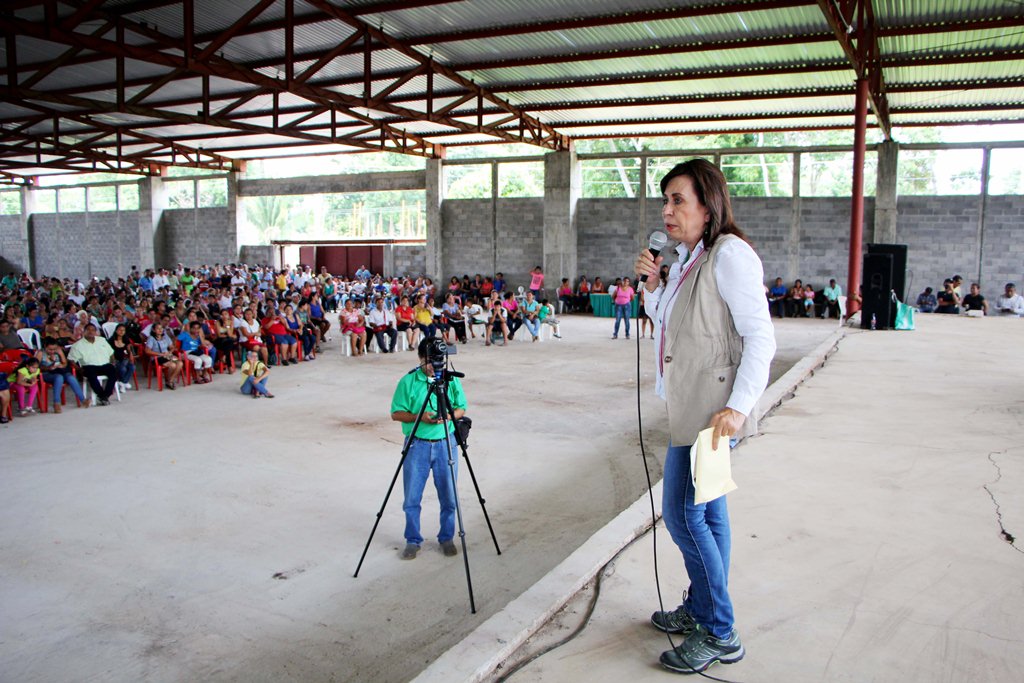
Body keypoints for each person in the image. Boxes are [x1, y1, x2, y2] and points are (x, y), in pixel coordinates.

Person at [635, 159, 776, 674]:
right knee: (710, 515)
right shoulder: (690, 258)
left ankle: (720, 631)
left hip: (712, 412)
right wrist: (653, 286)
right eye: (665, 201)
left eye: (678, 200)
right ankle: (700, 607)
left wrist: (738, 407)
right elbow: (669, 324)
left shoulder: (731, 255)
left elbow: (761, 336)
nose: (667, 210)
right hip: (690, 403)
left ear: (708, 204)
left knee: (681, 514)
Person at [389, 337, 468, 560]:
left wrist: (449, 416)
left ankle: (447, 537)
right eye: (429, 361)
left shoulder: (450, 381)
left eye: (438, 361)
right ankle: (412, 540)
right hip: (417, 445)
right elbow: (396, 414)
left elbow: (462, 408)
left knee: (449, 496)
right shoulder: (408, 382)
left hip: (446, 443)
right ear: (420, 359)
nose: (434, 366)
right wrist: (419, 417)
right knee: (412, 498)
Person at [68, 323, 118, 404]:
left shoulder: (102, 340)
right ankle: (102, 396)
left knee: (114, 372)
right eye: (88, 330)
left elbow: (111, 352)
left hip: (105, 365)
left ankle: (105, 396)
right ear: (84, 331)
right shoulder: (77, 345)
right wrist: (78, 369)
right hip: (89, 366)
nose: (91, 332)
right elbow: (71, 359)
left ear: (95, 332)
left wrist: (112, 362)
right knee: (91, 375)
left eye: (93, 330)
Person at [40, 339, 88, 412]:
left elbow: (65, 363)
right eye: (50, 349)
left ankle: (83, 400)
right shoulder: (40, 353)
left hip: (59, 371)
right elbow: (36, 367)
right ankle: (56, 403)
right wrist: (48, 367)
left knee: (71, 377)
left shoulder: (58, 351)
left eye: (54, 349)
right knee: (59, 378)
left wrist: (61, 365)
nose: (52, 351)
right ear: (45, 347)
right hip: (46, 373)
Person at [144, 322, 183, 390]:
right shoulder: (151, 338)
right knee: (173, 365)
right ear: (153, 330)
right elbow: (147, 351)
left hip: (167, 355)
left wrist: (170, 352)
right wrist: (161, 354)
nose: (160, 330)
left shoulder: (165, 336)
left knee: (180, 363)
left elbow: (172, 347)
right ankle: (168, 381)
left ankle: (170, 380)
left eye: (161, 328)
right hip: (157, 358)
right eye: (158, 328)